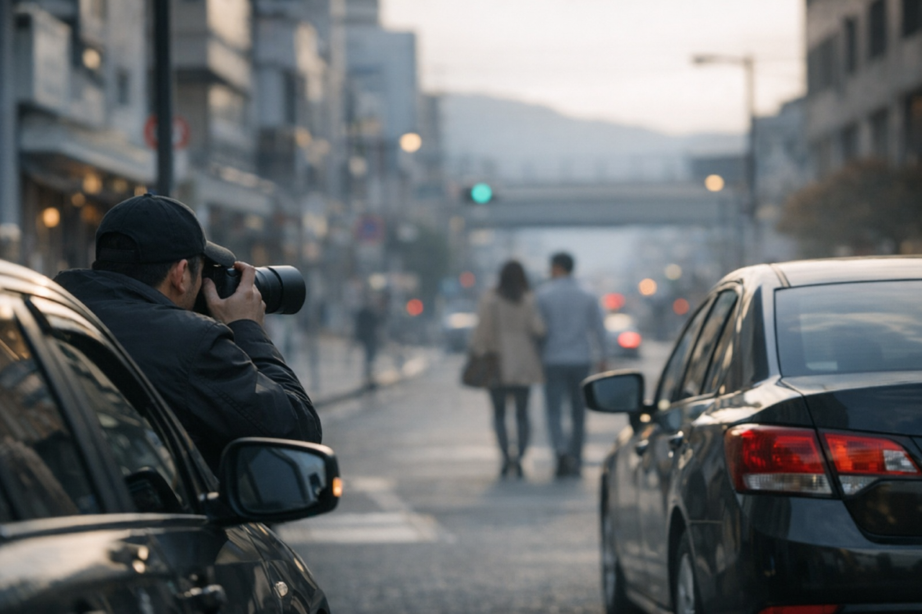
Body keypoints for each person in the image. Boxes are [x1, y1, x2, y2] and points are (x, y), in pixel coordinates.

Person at [54, 193, 321, 473]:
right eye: (204, 272)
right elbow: (299, 431)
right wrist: (247, 328)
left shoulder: (50, 310)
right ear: (181, 274)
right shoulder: (193, 344)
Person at [469, 260, 546, 479]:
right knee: (523, 414)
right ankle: (520, 458)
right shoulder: (528, 299)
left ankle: (505, 458)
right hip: (523, 362)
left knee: (499, 414)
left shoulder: (490, 300)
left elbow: (481, 333)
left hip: (497, 363)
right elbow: (539, 328)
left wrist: (478, 352)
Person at [536, 252, 606, 478]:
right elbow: (599, 328)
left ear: (556, 268)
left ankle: (560, 451)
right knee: (579, 412)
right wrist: (603, 356)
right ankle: (576, 457)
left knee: (554, 411)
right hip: (581, 359)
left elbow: (537, 331)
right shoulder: (587, 294)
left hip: (552, 359)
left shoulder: (543, 295)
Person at [354, 294, 383, 388]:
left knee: (369, 359)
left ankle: (368, 378)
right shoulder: (369, 312)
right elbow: (377, 324)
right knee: (369, 359)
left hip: (367, 338)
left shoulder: (363, 312)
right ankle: (368, 378)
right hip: (369, 338)